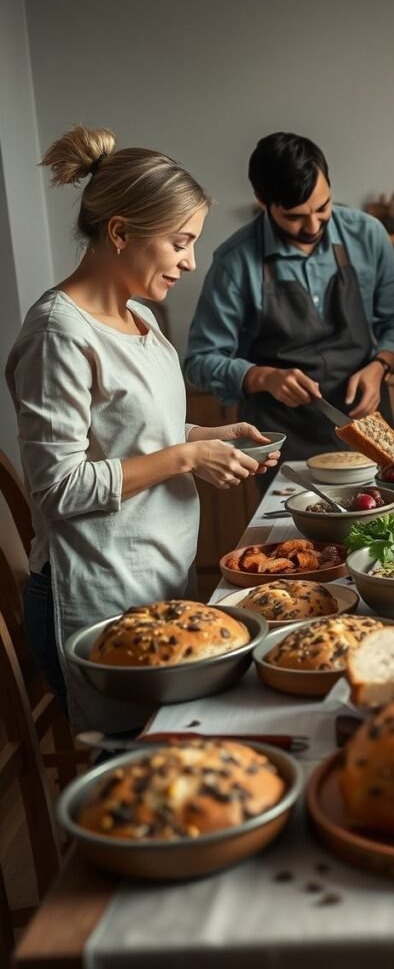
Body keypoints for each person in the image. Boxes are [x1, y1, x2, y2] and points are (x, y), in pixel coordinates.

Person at [6, 125, 279, 731]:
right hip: (95, 597)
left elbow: (137, 432)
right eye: (180, 242)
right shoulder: (60, 334)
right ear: (121, 232)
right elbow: (59, 488)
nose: (190, 260)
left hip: (157, 581)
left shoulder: (141, 318)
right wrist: (185, 459)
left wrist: (210, 435)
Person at [184, 132, 394, 462]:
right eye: (294, 216)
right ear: (262, 201)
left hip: (365, 425)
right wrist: (262, 377)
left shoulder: (367, 235)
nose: (312, 225)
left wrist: (381, 366)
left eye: (323, 208)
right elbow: (200, 360)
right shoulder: (234, 261)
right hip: (281, 439)